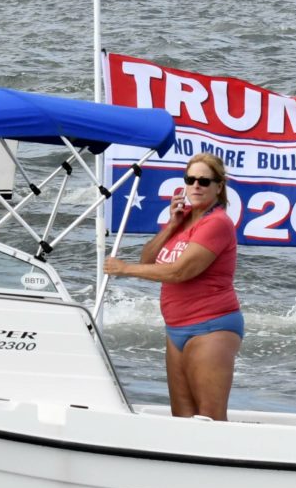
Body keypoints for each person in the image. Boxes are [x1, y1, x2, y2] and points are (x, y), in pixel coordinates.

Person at [103, 153, 241, 420]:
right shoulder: (184, 218)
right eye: (191, 180)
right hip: (176, 328)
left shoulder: (217, 223)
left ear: (219, 186)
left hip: (211, 327)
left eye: (204, 180)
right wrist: (171, 226)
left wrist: (124, 268)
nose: (196, 186)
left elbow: (180, 272)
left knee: (210, 418)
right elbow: (148, 259)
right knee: (182, 417)